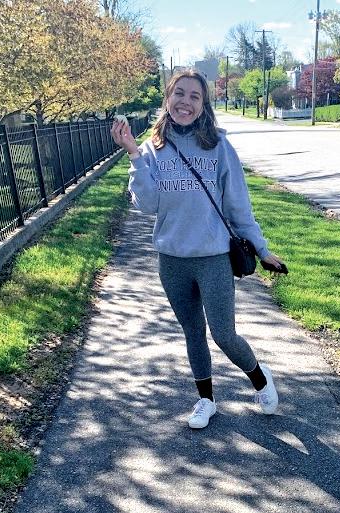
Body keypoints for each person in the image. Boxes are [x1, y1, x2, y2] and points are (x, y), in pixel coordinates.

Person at [111, 69, 286, 429]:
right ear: (168, 98)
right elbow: (148, 205)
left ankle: (260, 378)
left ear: (203, 104)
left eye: (194, 96)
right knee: (193, 332)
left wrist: (261, 248)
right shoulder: (152, 149)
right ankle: (206, 400)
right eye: (179, 94)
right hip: (172, 261)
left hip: (213, 259)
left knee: (223, 334)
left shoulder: (218, 146)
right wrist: (133, 155)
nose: (185, 102)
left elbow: (238, 206)